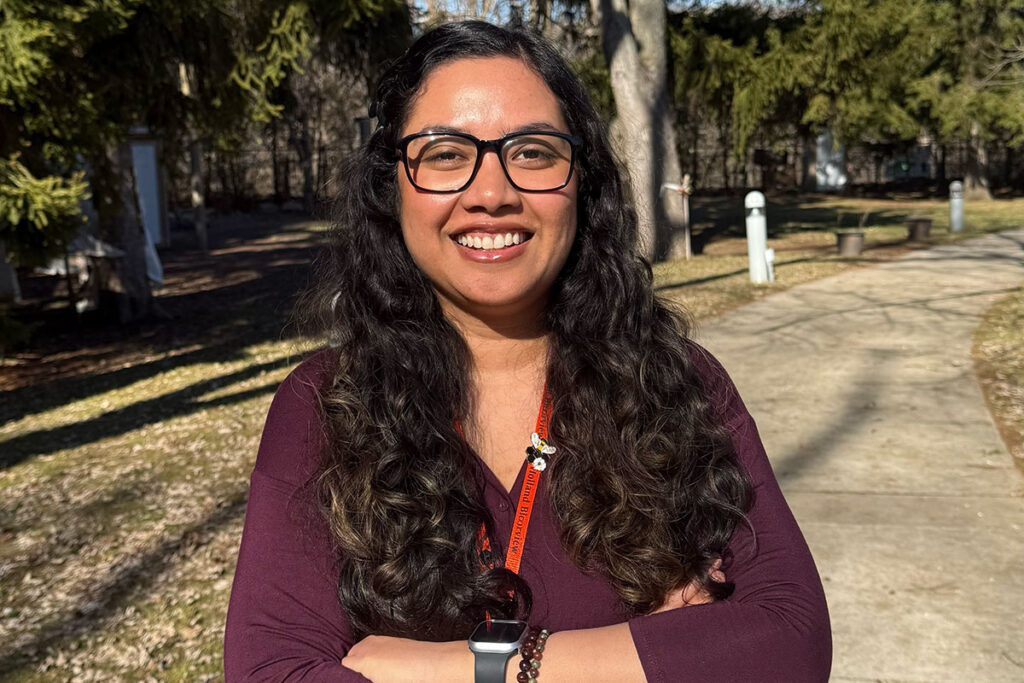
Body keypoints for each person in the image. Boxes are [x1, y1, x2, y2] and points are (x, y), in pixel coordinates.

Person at [224, 20, 831, 683]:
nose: (492, 193)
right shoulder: (325, 406)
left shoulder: (676, 383)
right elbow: (272, 670)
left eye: (534, 152)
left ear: (582, 182)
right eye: (446, 153)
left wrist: (475, 667)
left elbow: (789, 644)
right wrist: (655, 654)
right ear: (393, 185)